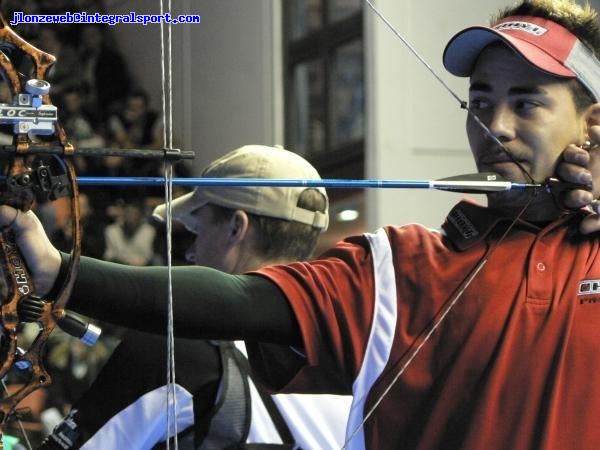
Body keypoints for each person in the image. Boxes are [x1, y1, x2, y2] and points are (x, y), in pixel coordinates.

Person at [5, 0, 600, 448]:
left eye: (526, 102)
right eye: (479, 101)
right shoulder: (402, 269)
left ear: (590, 125)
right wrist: (58, 268)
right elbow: (238, 301)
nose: (494, 125)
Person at [38, 145, 351, 449]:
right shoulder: (350, 350)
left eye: (197, 232)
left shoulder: (178, 344)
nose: (190, 251)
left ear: (236, 228)